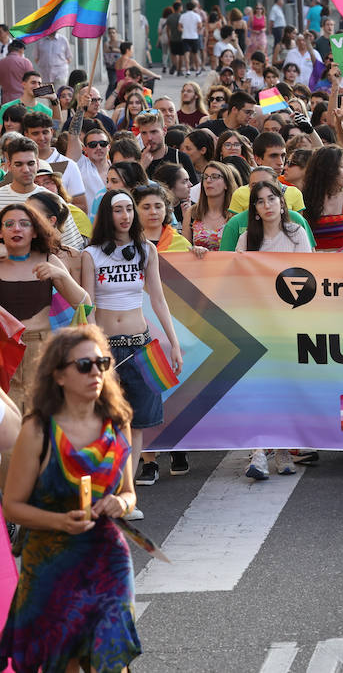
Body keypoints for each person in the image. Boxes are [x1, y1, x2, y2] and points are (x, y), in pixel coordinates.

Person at [0, 325, 141, 672]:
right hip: (52, 561)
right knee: (64, 663)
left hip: (107, 558)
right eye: (84, 365)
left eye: (102, 363)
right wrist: (61, 521)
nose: (95, 372)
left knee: (109, 660)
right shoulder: (38, 431)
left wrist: (119, 504)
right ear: (59, 375)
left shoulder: (116, 421)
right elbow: (12, 506)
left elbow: (128, 493)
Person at [79, 190, 183, 490]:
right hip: (106, 348)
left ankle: (127, 490)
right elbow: (88, 306)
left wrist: (173, 343)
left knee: (138, 423)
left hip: (141, 345)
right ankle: (107, 486)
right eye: (118, 210)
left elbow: (159, 299)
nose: (125, 216)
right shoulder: (92, 254)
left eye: (128, 209)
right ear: (106, 215)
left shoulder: (146, 250)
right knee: (105, 421)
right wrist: (94, 349)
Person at [0, 202, 89, 440]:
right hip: (3, 353)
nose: (16, 229)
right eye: (9, 224)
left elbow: (85, 305)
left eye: (24, 223)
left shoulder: (49, 258)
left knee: (42, 429)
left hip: (41, 352)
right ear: (1, 232)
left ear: (35, 231)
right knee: (9, 434)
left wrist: (60, 275)